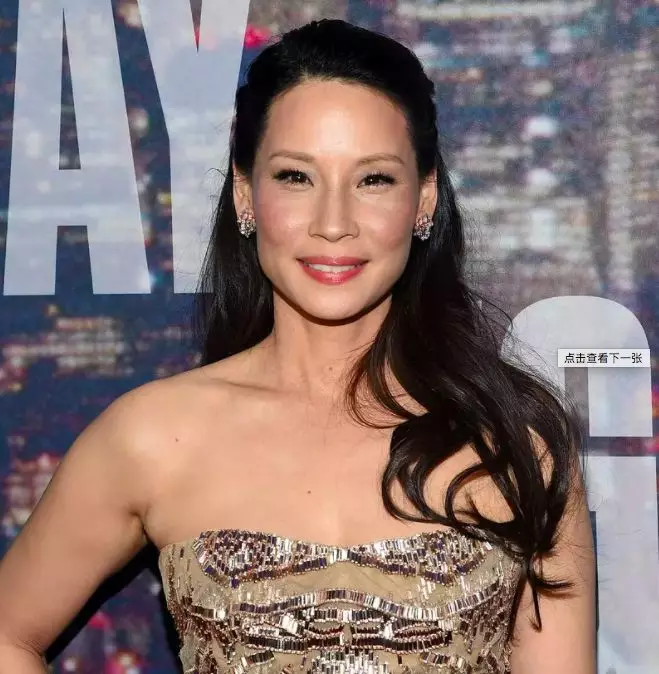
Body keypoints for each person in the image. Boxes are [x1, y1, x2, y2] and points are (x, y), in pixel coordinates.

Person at [0, 18, 596, 674]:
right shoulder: (151, 436)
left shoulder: (517, 440)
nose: (333, 223)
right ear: (245, 194)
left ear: (423, 199)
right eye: (295, 177)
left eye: (373, 180)